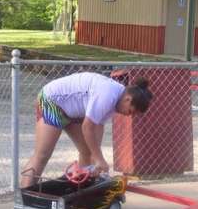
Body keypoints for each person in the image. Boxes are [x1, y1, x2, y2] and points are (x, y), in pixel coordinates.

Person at [20, 71, 153, 188]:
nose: (129, 115)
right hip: (51, 101)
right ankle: (23, 199)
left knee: (88, 152)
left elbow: (98, 126)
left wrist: (97, 159)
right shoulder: (108, 95)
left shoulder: (116, 100)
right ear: (128, 99)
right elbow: (87, 127)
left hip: (71, 111)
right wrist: (99, 159)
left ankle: (81, 190)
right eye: (130, 111)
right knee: (42, 154)